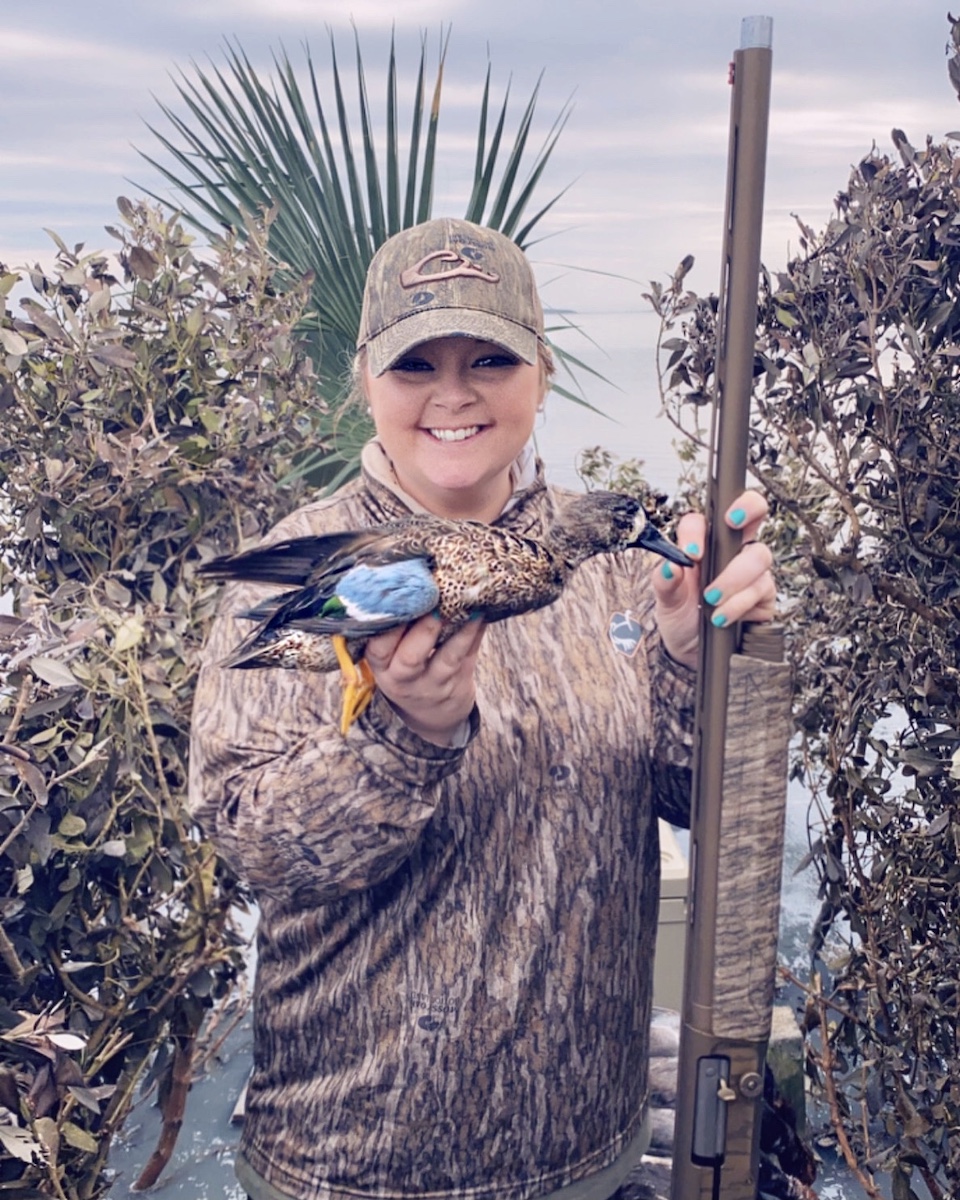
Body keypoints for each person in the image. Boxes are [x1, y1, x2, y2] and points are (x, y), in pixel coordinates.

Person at [189, 217, 776, 1200]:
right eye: (416, 363)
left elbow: (698, 807)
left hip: (586, 1157)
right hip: (356, 1170)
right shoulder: (303, 563)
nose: (453, 394)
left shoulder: (616, 560)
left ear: (540, 372)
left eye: (489, 358)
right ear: (365, 382)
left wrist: (687, 660)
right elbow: (252, 849)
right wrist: (403, 736)